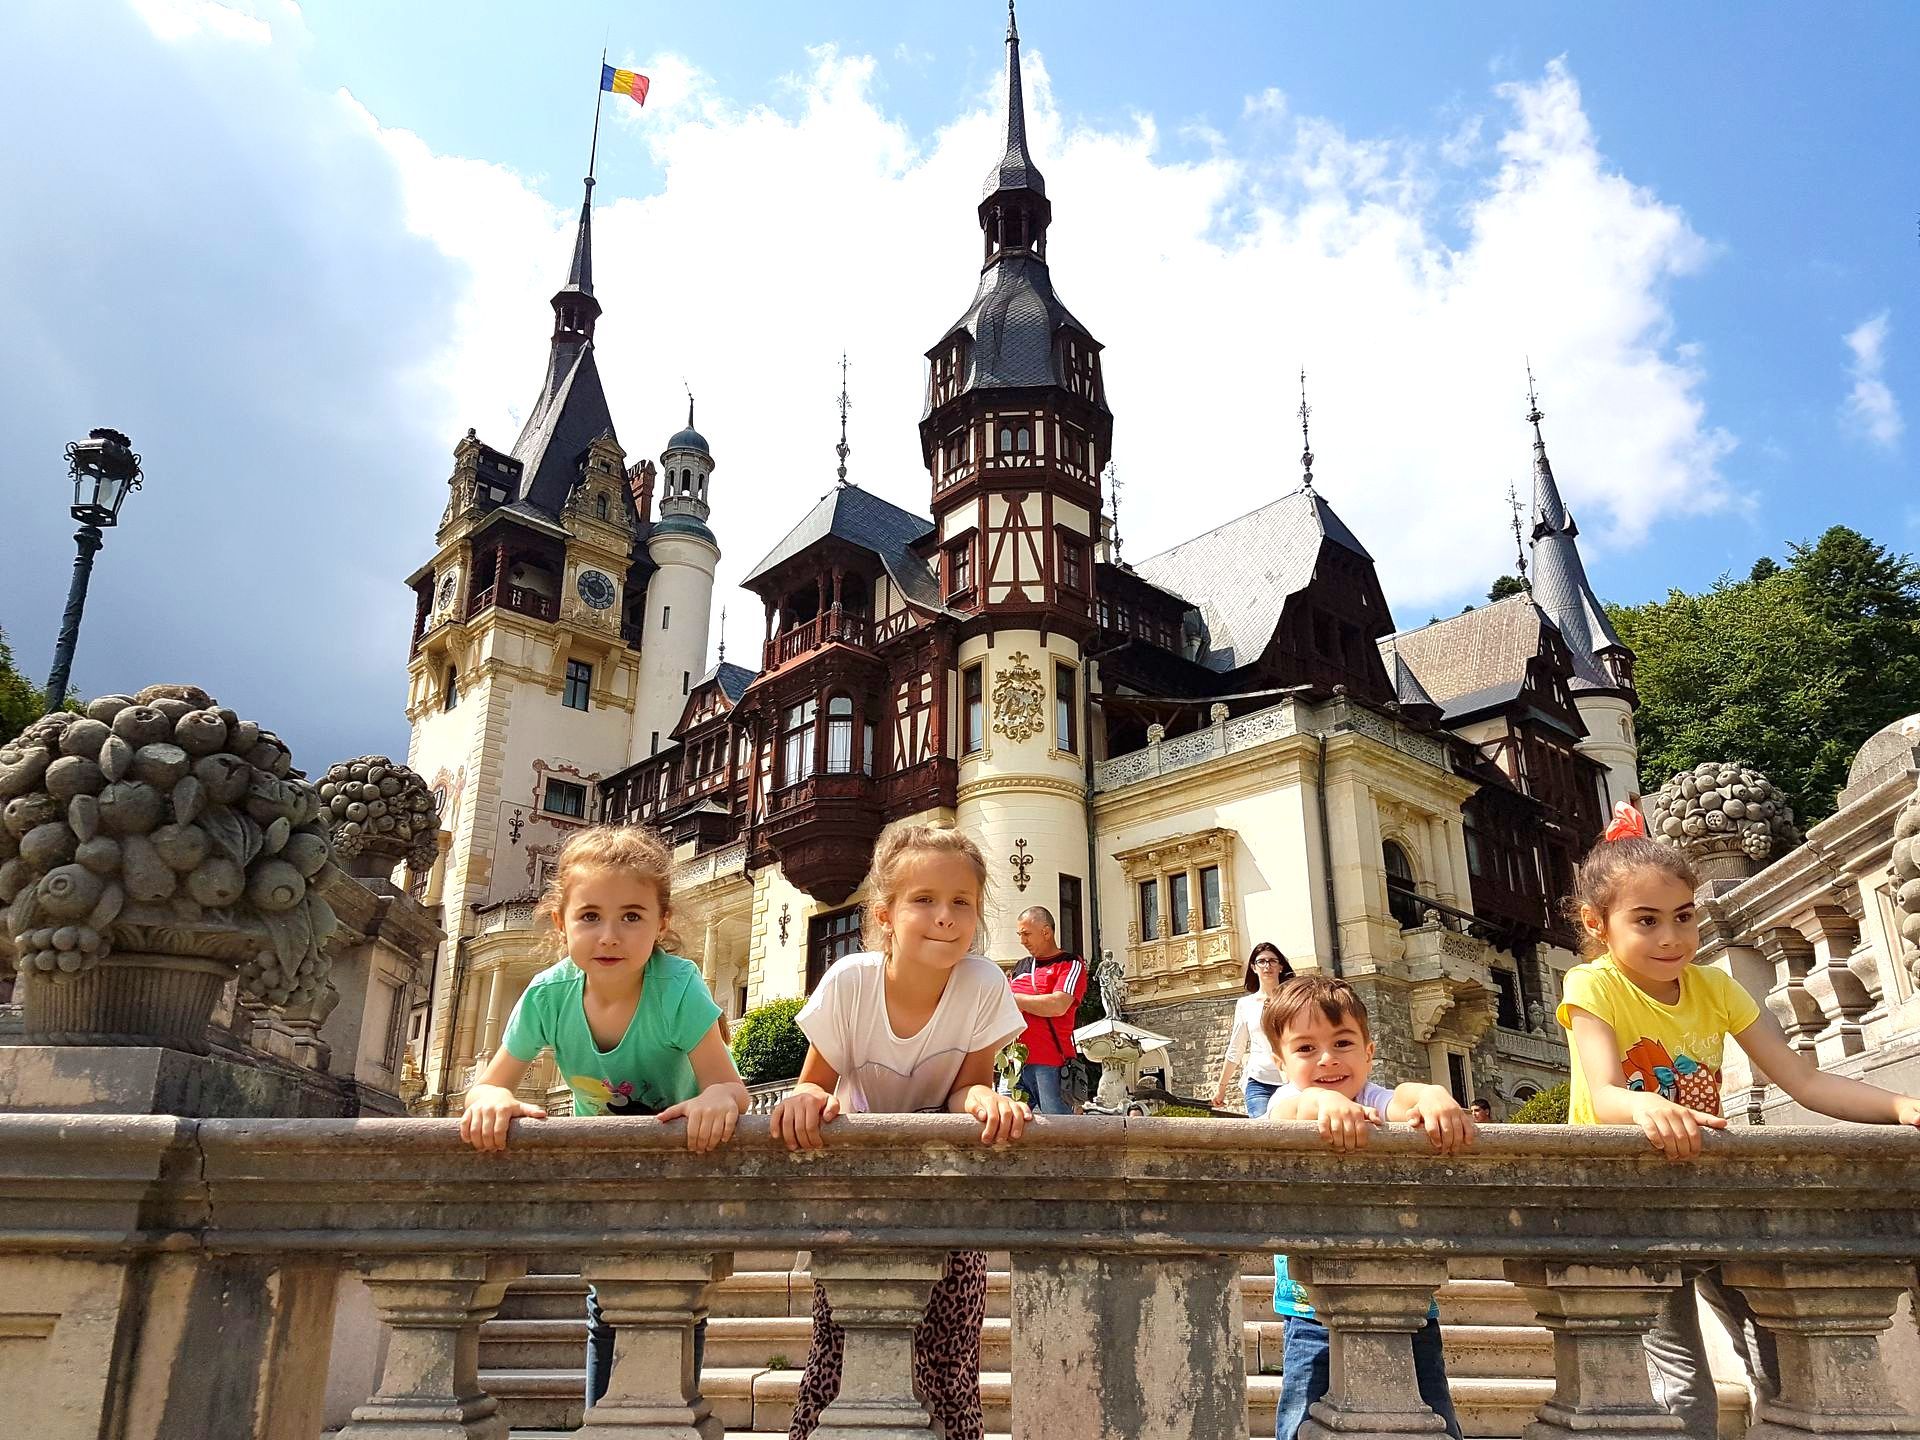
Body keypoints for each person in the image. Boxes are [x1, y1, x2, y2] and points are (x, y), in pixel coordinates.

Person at [1559, 802, 1920, 1434]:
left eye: (1683, 917)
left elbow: (1803, 1080)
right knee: (1681, 1381)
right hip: (1629, 1196)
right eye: (1646, 921)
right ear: (1598, 924)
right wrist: (1648, 1105)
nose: (1671, 937)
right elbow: (1607, 1093)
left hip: (1708, 1185)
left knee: (1769, 1347)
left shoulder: (1716, 988)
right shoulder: (1592, 984)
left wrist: (1899, 1106)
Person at [458, 824, 749, 1411]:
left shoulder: (678, 986)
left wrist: (718, 1099)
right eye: (590, 916)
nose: (610, 935)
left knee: (683, 1302)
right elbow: (489, 1086)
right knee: (603, 1307)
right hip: (609, 1172)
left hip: (685, 1165)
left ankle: (675, 1413)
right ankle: (602, 1419)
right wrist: (489, 1100)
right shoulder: (547, 994)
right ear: (559, 921)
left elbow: (729, 1087)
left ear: (662, 923)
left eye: (633, 916)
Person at [771, 823, 1030, 1440]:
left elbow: (966, 1085)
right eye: (924, 900)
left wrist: (987, 1099)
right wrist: (804, 1101)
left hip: (948, 1193)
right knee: (835, 1359)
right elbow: (814, 1082)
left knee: (952, 1361)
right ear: (885, 914)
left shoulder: (984, 984)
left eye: (961, 902)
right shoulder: (851, 981)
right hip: (857, 1195)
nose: (945, 916)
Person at [1263, 973, 1472, 1440]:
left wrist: (1433, 1095)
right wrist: (1321, 1100)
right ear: (1280, 1062)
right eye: (1305, 1049)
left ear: (1369, 1051)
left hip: (1407, 1298)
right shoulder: (1288, 1097)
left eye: (1342, 1043)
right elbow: (1291, 1110)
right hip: (1309, 1307)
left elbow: (1403, 1100)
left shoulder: (1372, 1098)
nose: (1327, 1059)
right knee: (1301, 1419)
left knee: (1434, 1413)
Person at [1007, 904, 1089, 1115]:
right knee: (1003, 1126)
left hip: (1051, 1064)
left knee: (1059, 1135)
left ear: (1046, 932)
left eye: (1026, 934)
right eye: (1020, 934)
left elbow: (1058, 1005)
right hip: (1014, 1064)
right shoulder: (1020, 967)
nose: (1022, 941)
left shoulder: (1070, 964)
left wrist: (1014, 999)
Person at [1211, 941, 1294, 1116]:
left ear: (1280, 966)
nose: (1267, 966)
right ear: (1253, 967)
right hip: (1258, 1080)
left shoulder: (1293, 1000)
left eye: (1272, 961)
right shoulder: (1245, 1004)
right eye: (1261, 961)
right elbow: (1236, 1048)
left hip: (1291, 1079)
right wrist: (1221, 1087)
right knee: (1263, 1133)